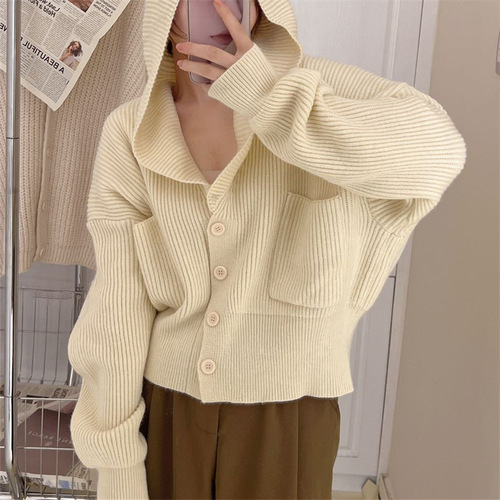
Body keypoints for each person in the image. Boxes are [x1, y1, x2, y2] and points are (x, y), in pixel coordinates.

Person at [67, 0, 467, 498]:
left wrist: (268, 100)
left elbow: (439, 153)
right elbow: (118, 308)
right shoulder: (132, 131)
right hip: (168, 410)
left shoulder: (318, 87)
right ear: (166, 13)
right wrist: (116, 461)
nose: (222, 7)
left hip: (291, 413)